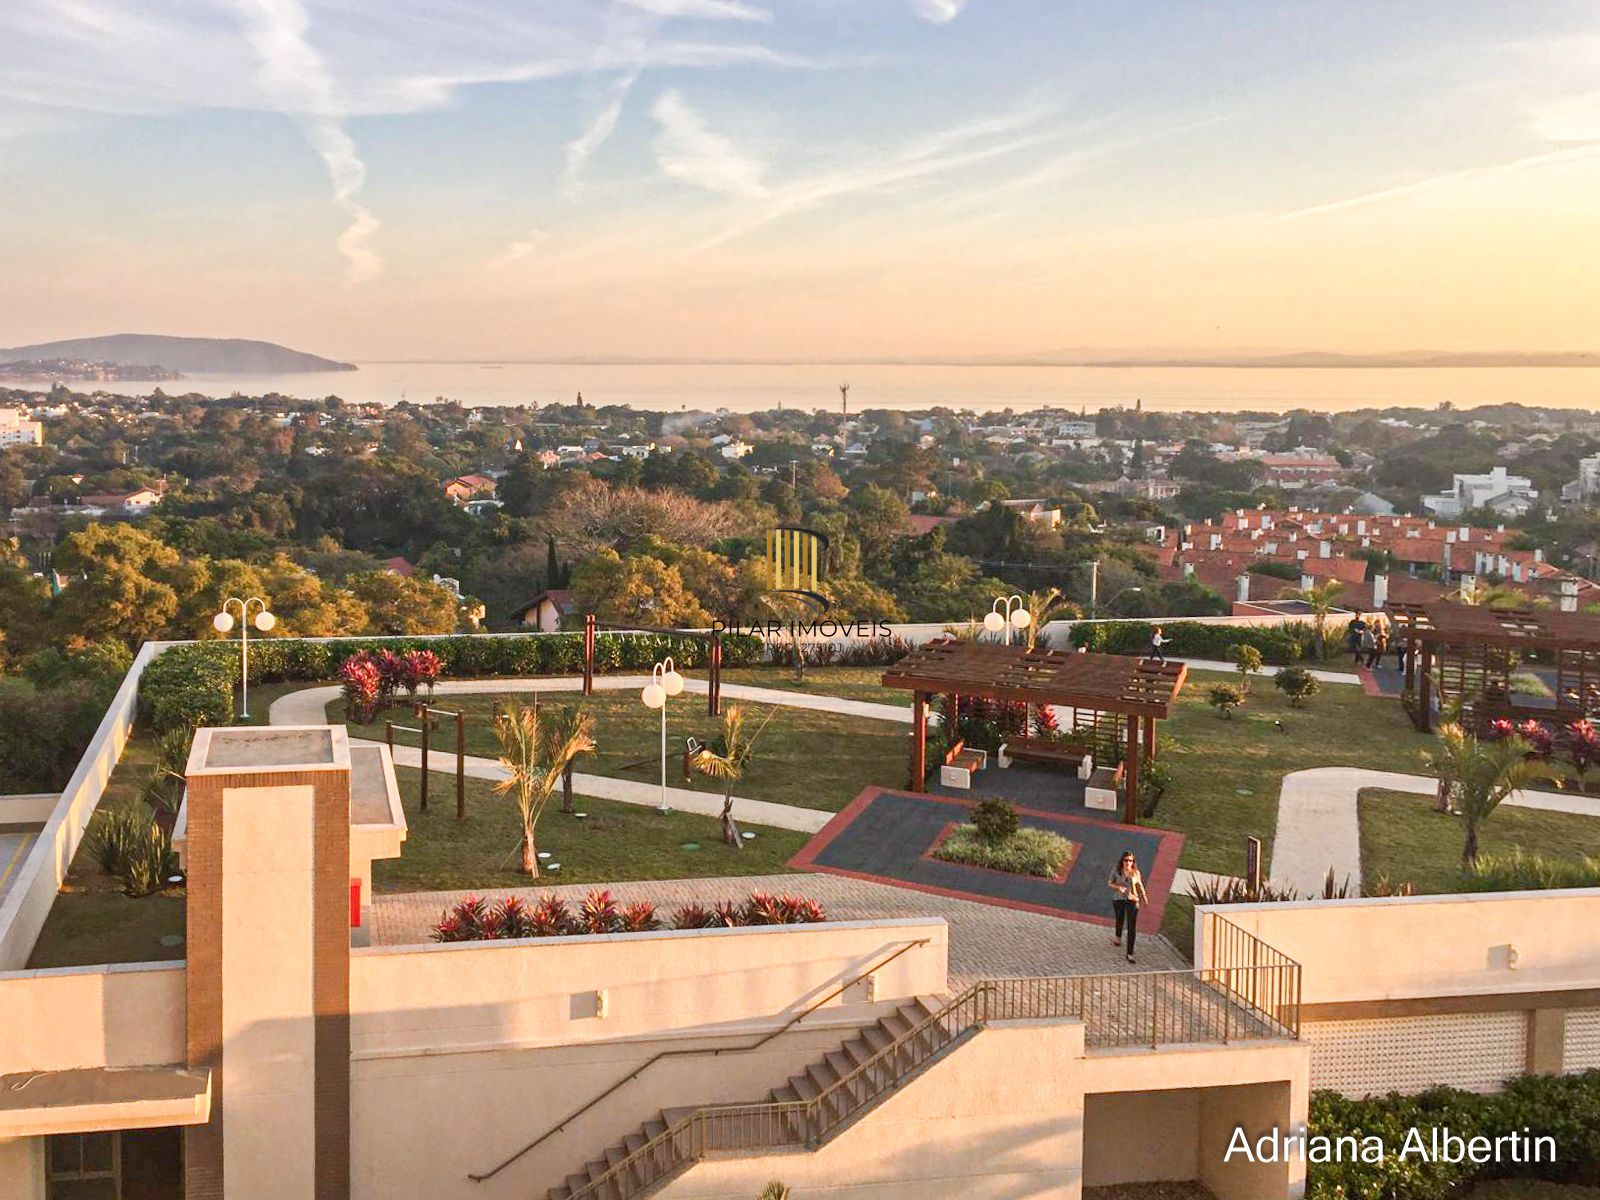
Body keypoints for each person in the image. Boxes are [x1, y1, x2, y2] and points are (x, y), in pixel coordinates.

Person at [1107, 850, 1149, 963]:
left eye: (1130, 860)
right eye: (1126, 860)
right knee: (1119, 919)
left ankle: (1130, 953)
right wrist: (1118, 887)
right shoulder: (1116, 871)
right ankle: (1118, 938)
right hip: (1119, 899)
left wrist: (1144, 898)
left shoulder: (1136, 872)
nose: (1128, 862)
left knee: (1132, 927)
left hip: (1132, 900)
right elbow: (1110, 883)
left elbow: (1140, 885)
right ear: (1122, 861)